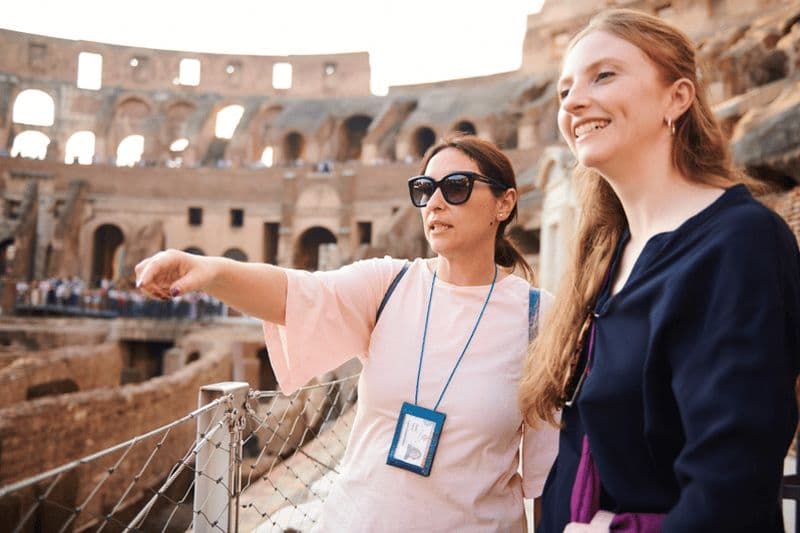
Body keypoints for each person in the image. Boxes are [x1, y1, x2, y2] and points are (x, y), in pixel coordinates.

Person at [136, 135, 558, 532]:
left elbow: (545, 474)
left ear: (504, 204)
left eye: (457, 186)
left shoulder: (537, 316)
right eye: (424, 189)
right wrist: (208, 269)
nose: (435, 202)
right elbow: (295, 293)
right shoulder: (388, 284)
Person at [518, 8, 800, 533]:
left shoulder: (738, 245)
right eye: (564, 90)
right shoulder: (610, 253)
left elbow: (729, 491)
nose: (574, 101)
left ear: (678, 97)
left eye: (604, 75)